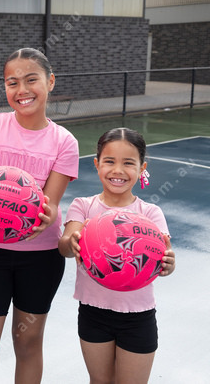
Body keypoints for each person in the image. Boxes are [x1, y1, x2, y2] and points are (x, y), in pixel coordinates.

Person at [0, 47, 80, 383]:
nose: (22, 90)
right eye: (12, 82)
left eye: (31, 80)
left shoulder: (65, 142)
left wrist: (41, 217)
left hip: (41, 259)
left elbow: (49, 206)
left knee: (27, 345)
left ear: (50, 82)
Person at [58, 127, 176, 384]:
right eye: (109, 161)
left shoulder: (150, 213)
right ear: (97, 164)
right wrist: (72, 241)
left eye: (128, 163)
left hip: (138, 317)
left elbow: (163, 258)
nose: (118, 170)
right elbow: (65, 246)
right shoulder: (83, 206)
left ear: (142, 168)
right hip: (93, 313)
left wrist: (168, 265)